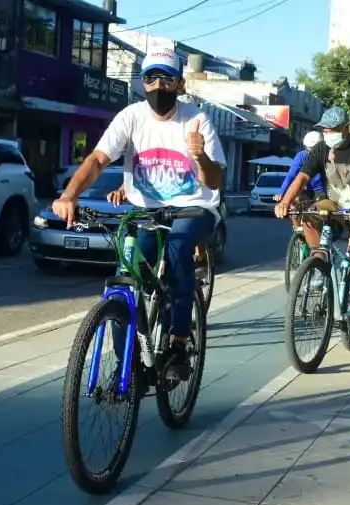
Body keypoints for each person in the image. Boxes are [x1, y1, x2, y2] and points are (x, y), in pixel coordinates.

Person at [51, 46, 226, 381]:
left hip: (193, 208)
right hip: (147, 210)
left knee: (177, 249)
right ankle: (126, 361)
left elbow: (215, 179)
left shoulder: (197, 120)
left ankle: (178, 339)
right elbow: (98, 160)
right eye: (151, 77)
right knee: (128, 277)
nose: (159, 85)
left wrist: (200, 156)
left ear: (179, 83)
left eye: (167, 78)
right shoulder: (131, 116)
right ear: (142, 83)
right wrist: (69, 195)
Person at [274, 107, 350, 347]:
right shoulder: (321, 149)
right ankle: (319, 261)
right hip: (334, 204)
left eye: (333, 129)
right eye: (325, 129)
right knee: (310, 213)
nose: (328, 133)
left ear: (347, 128)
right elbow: (301, 178)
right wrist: (285, 201)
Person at [274, 131, 325, 231]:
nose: (310, 151)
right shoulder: (301, 156)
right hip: (307, 190)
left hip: (323, 192)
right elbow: (290, 176)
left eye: (313, 148)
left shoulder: (326, 156)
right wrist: (281, 192)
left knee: (318, 213)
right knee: (293, 204)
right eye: (308, 148)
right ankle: (298, 230)